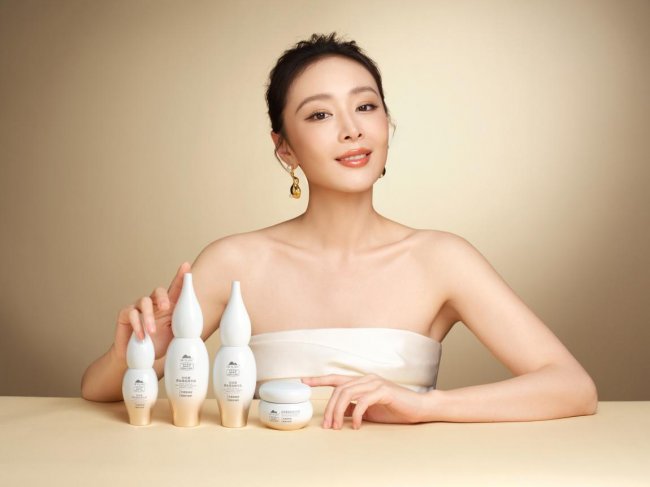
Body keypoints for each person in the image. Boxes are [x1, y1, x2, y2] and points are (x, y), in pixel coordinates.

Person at [81, 32, 598, 429]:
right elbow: (97, 391)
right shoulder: (235, 262)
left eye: (366, 106)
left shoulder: (442, 258)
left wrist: (426, 407)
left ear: (387, 123)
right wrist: (131, 352)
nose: (352, 129)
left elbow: (573, 388)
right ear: (284, 147)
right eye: (320, 114)